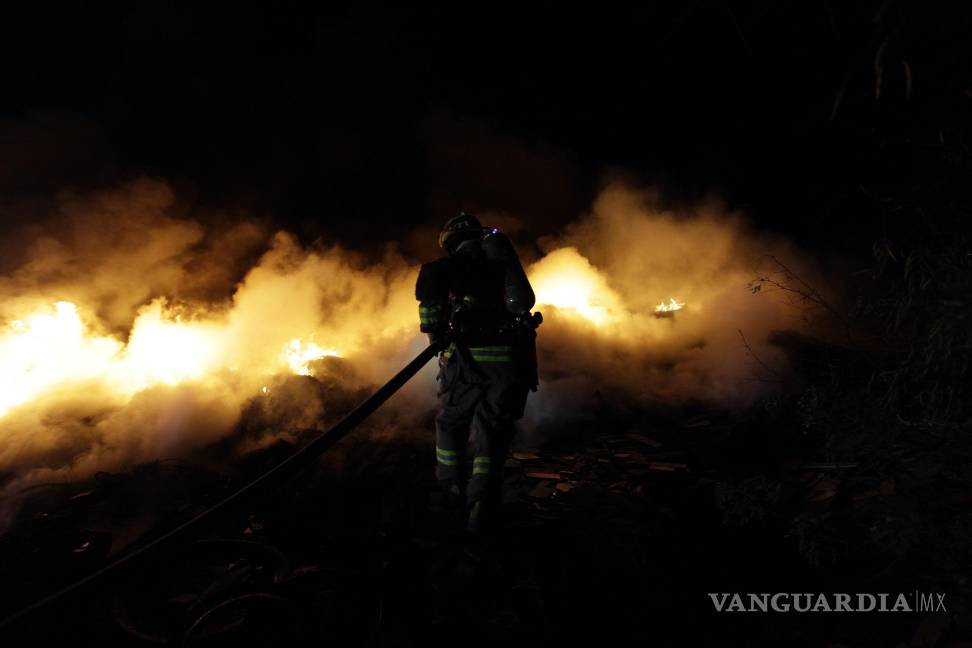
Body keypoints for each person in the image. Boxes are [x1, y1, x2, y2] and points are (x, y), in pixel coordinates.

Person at [415, 212, 539, 534]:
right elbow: (522, 305)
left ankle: (451, 490)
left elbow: (431, 317)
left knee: (451, 423)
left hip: (467, 364)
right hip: (511, 364)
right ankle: (481, 502)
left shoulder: (443, 270)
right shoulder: (502, 265)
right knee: (493, 431)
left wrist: (437, 342)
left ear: (449, 241)